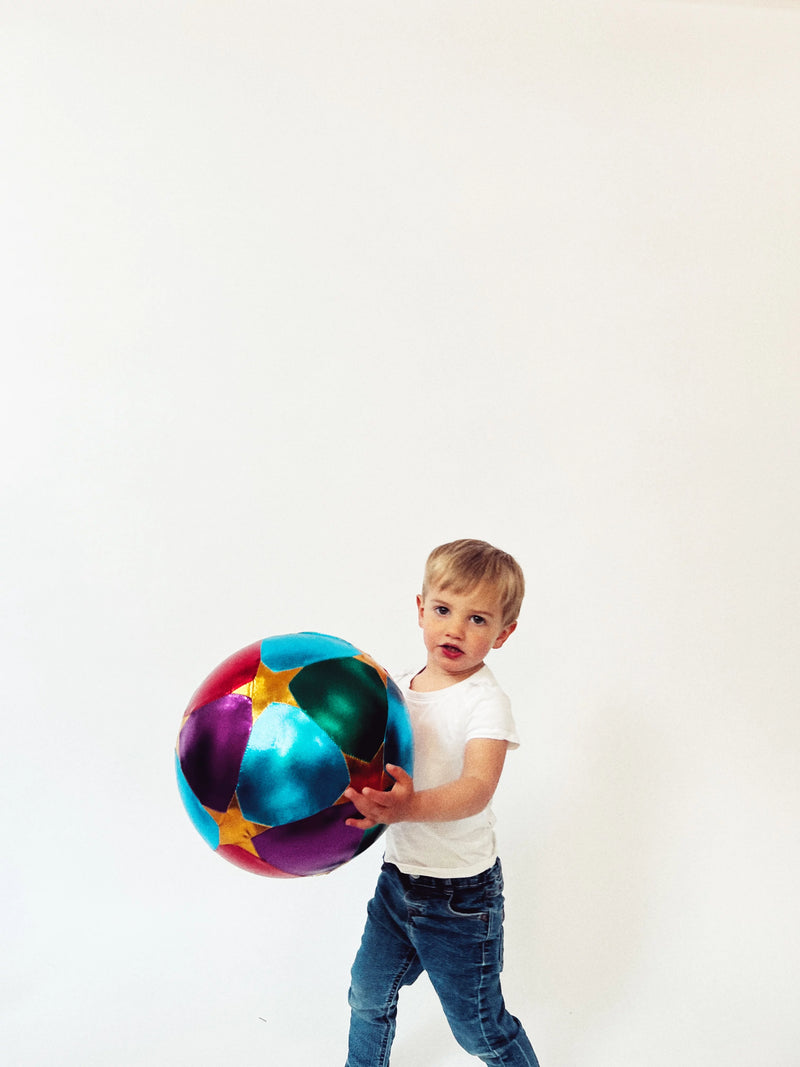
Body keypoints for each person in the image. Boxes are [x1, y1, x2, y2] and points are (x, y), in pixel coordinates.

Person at [343, 539, 540, 1066]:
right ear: (420, 608)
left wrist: (406, 808)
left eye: (478, 619)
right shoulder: (399, 687)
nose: (455, 629)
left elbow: (477, 788)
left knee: (480, 1031)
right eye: (443, 610)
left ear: (504, 634)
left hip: (460, 900)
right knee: (367, 996)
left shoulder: (485, 702)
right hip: (397, 881)